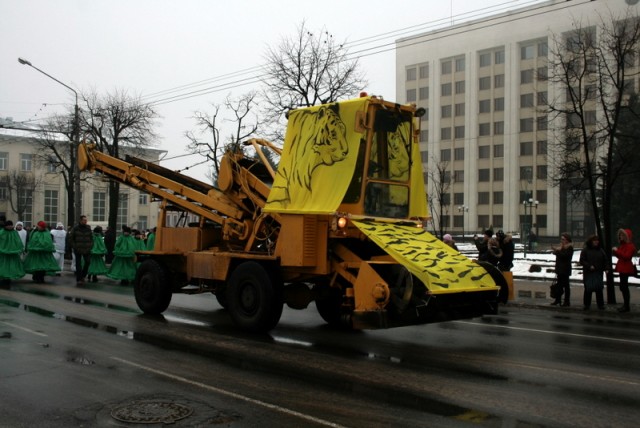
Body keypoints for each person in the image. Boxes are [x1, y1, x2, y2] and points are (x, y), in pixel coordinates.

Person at [579, 235, 607, 311]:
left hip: (598, 272)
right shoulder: (585, 250)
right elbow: (582, 260)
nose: (596, 242)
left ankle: (600, 304)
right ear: (591, 241)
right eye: (594, 240)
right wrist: (589, 266)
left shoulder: (600, 250)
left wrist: (606, 268)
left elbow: (605, 260)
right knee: (588, 289)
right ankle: (587, 304)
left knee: (599, 289)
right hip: (589, 273)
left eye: (597, 240)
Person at [613, 228, 636, 313]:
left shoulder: (630, 246)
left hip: (625, 268)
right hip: (623, 267)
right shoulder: (623, 245)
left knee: (624, 287)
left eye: (622, 235)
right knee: (623, 287)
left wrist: (617, 251)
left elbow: (626, 257)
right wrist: (616, 252)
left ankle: (626, 306)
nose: (620, 236)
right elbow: (621, 256)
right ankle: (626, 305)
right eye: (620, 235)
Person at [69, 215, 94, 285]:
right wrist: (75, 246)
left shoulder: (88, 228)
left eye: (86, 220)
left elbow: (91, 238)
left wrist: (90, 246)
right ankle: (79, 278)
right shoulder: (75, 228)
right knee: (78, 264)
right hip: (78, 249)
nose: (85, 221)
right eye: (84, 220)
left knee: (88, 262)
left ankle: (83, 275)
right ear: (80, 220)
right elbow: (71, 238)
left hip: (87, 249)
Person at [551, 232, 574, 306]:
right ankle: (558, 300)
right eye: (561, 239)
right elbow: (559, 256)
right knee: (559, 285)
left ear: (567, 240)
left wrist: (557, 252)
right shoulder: (561, 247)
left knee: (566, 286)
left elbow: (565, 257)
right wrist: (556, 251)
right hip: (559, 269)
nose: (562, 240)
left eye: (563, 239)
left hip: (565, 270)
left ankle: (566, 301)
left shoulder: (569, 248)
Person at [0, 220, 26, 287]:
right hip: (3, 253)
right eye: (8, 225)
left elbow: (18, 241)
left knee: (11, 267)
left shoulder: (14, 232)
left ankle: (8, 280)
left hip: (13, 253)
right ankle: (3, 280)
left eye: (11, 225)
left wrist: (20, 248)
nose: (9, 226)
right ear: (5, 226)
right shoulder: (1, 232)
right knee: (3, 267)